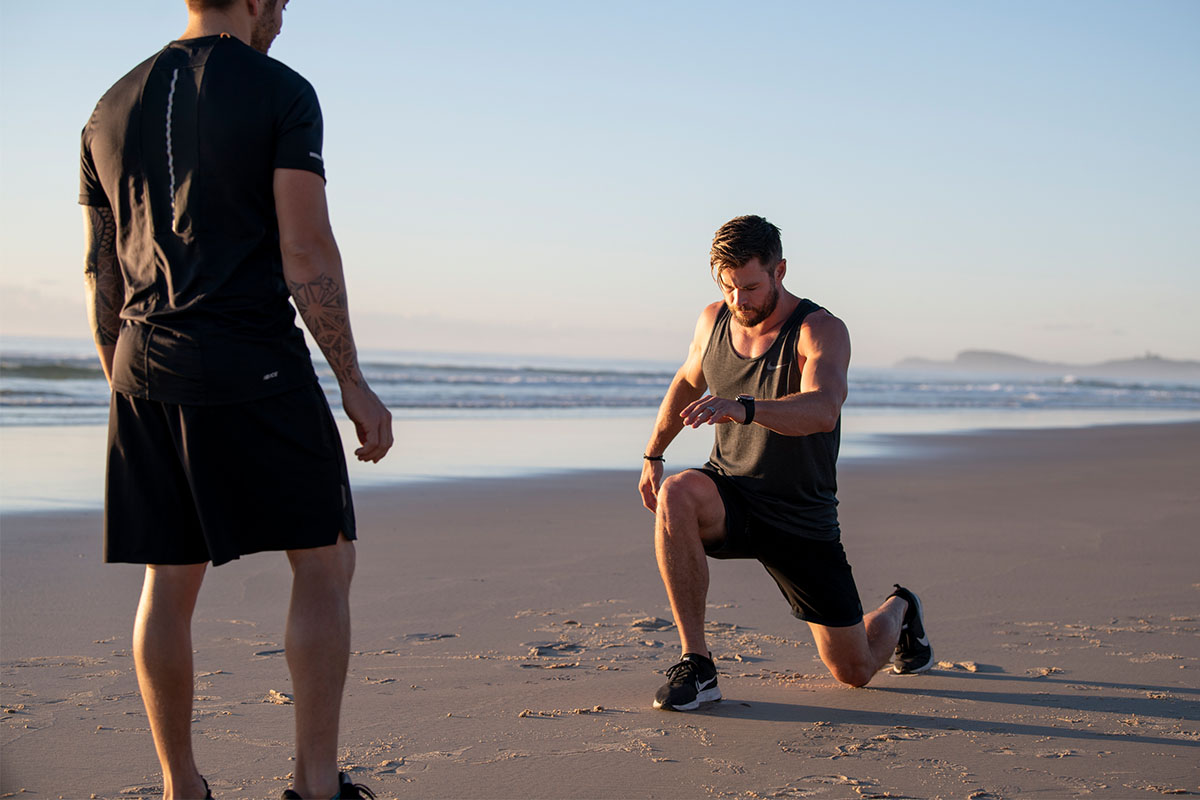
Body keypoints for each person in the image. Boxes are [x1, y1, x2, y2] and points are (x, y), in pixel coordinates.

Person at [79, 1, 391, 796]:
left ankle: (184, 789)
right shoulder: (282, 91)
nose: (282, 17)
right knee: (324, 561)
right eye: (281, 2)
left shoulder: (106, 107)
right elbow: (305, 248)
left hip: (143, 367)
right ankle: (316, 786)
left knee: (169, 580)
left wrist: (124, 383)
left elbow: (102, 276)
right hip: (254, 360)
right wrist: (352, 382)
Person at [638, 214, 932, 712]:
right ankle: (697, 664)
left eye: (751, 287)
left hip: (800, 515)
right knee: (679, 492)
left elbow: (822, 409)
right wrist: (654, 454)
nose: (740, 301)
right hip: (731, 493)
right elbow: (687, 381)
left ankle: (901, 608)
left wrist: (744, 407)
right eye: (729, 288)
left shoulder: (820, 329)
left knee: (854, 671)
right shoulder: (713, 320)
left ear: (780, 271)